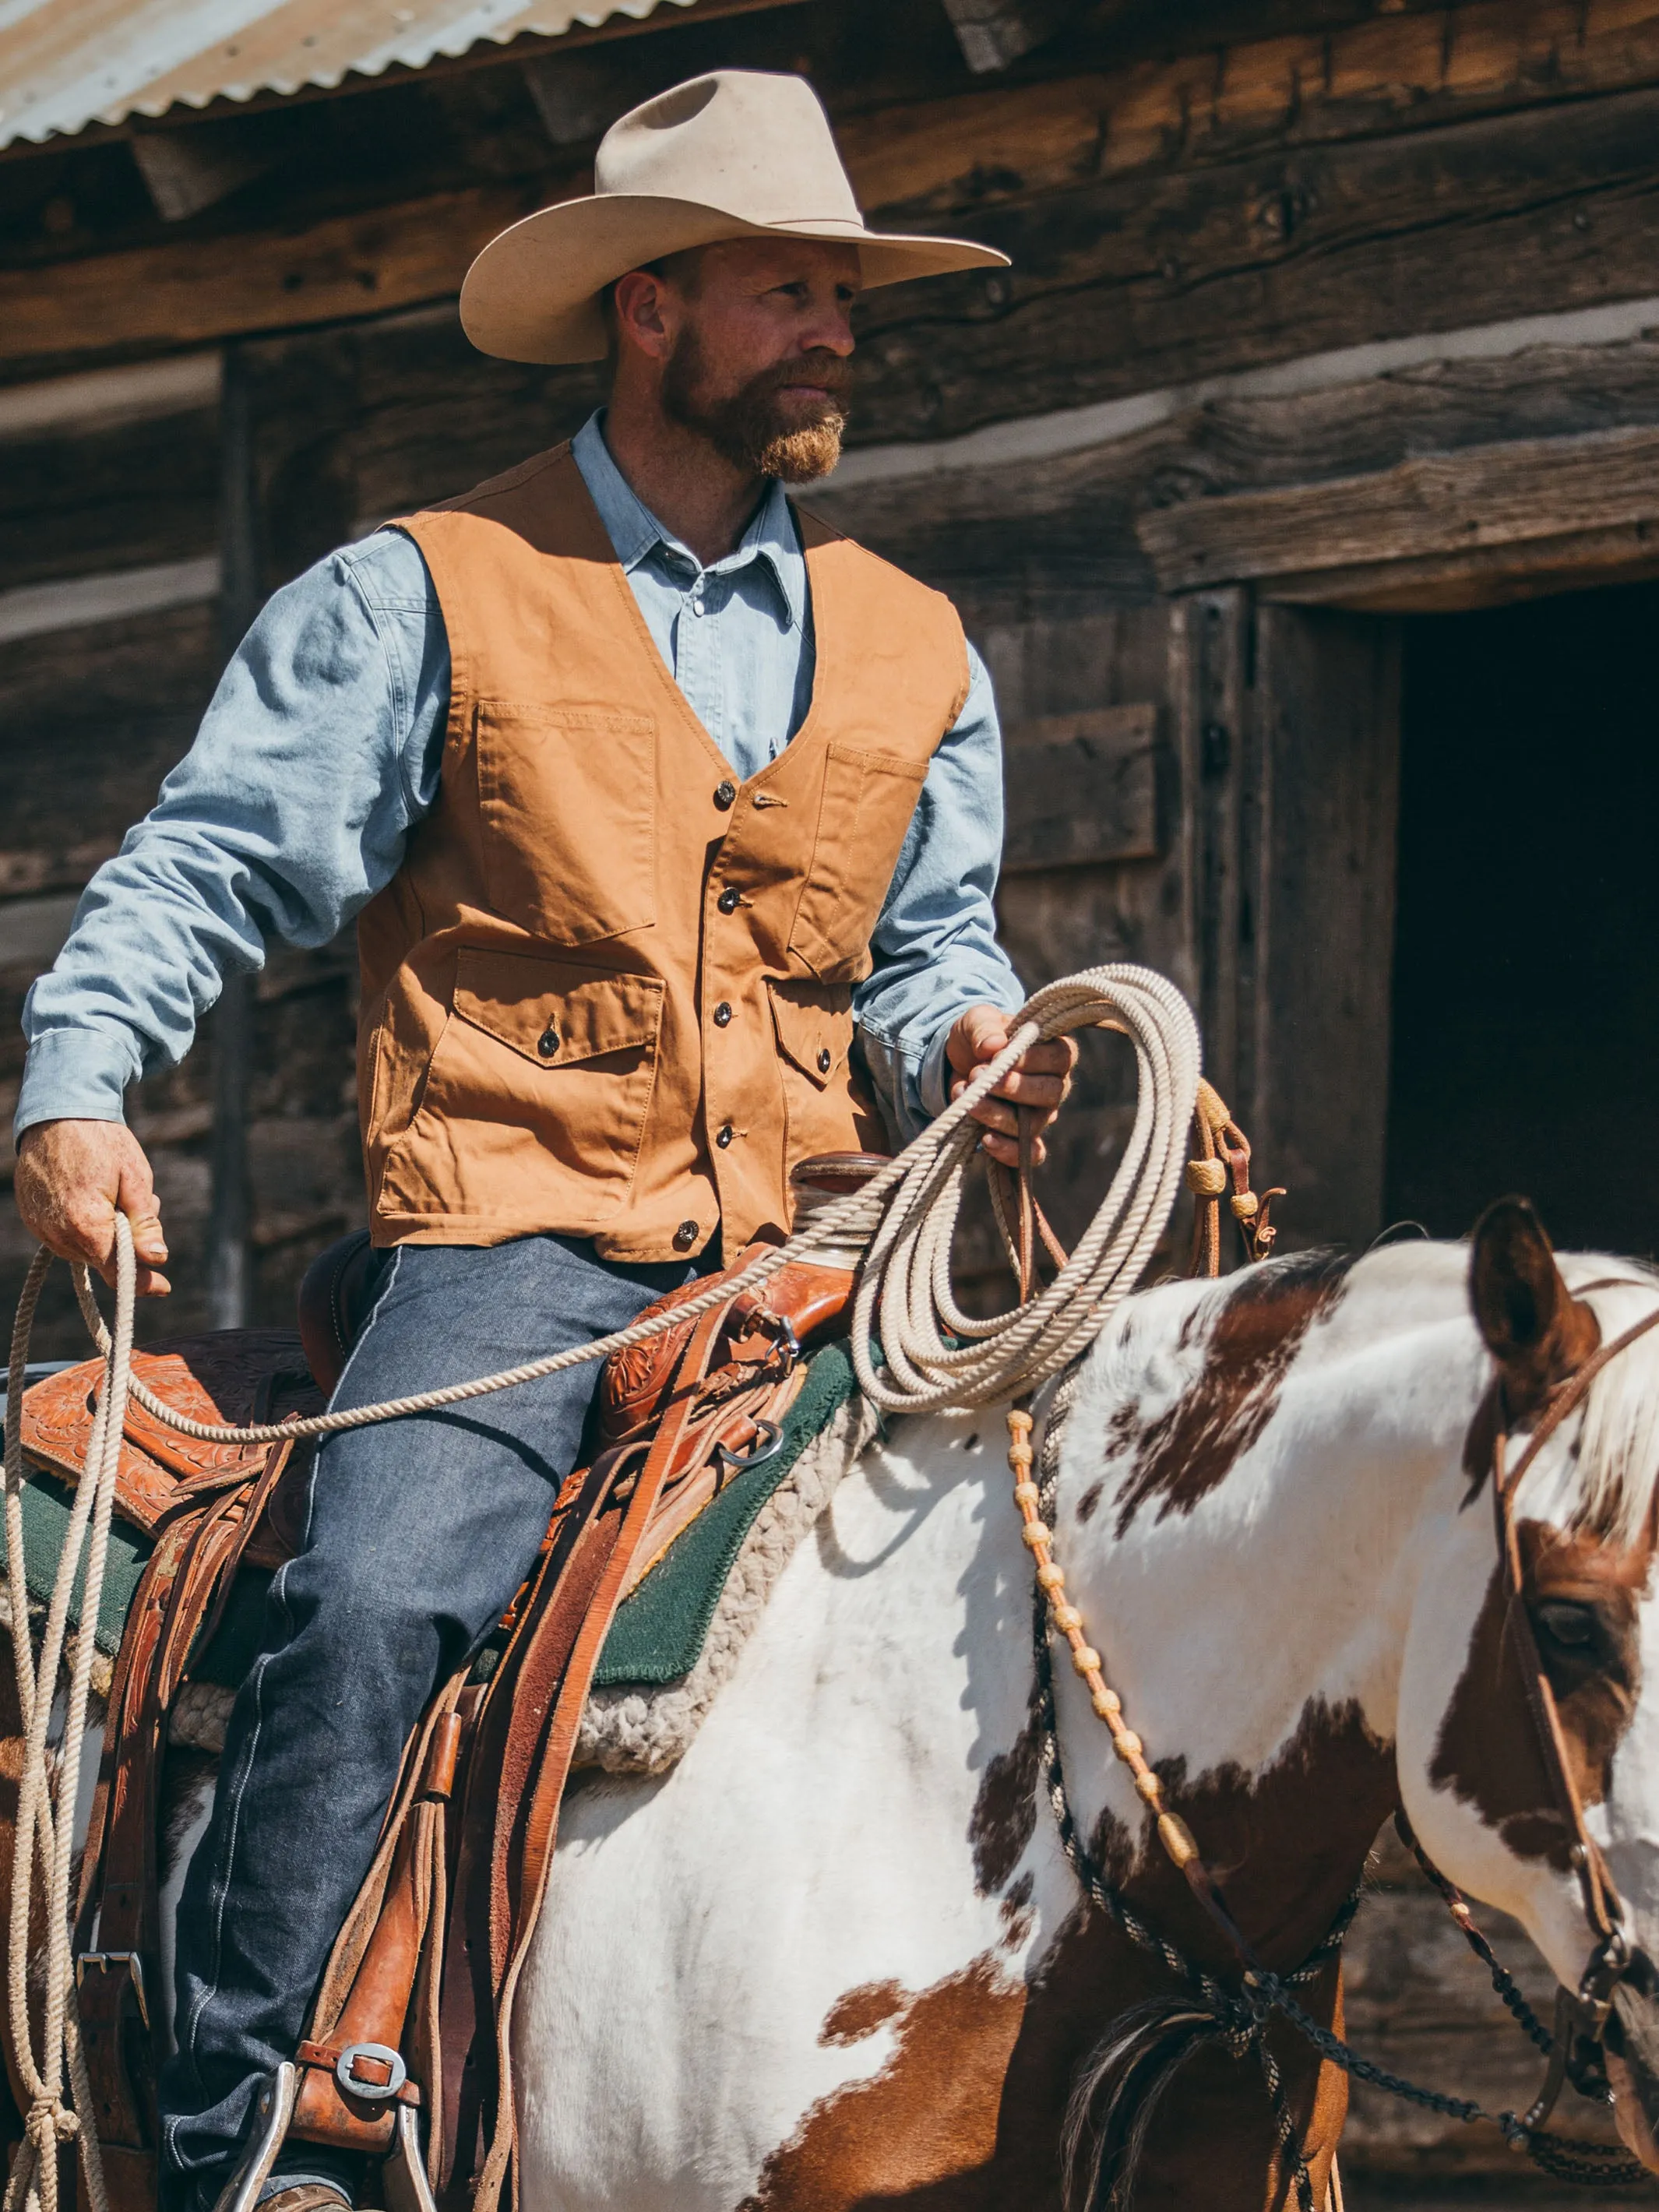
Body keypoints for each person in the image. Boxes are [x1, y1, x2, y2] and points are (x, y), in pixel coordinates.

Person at [12, 67, 1076, 2212]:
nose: (837, 336)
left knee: (1063, 1576)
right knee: (381, 1602)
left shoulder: (909, 641)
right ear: (650, 309)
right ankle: (259, 2144)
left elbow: (913, 947)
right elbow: (206, 868)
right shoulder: (427, 591)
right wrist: (71, 1086)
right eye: (789, 292)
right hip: (511, 1249)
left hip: (810, 1256)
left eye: (846, 298)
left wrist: (969, 1025)